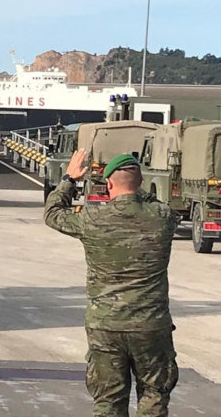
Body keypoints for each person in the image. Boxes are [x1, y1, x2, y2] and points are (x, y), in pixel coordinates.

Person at [44, 149, 180, 417]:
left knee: (108, 402)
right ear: (140, 183)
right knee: (154, 396)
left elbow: (52, 213)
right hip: (150, 325)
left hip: (105, 326)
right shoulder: (162, 218)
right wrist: (135, 190)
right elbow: (151, 200)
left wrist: (69, 180)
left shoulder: (93, 219)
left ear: (107, 185)